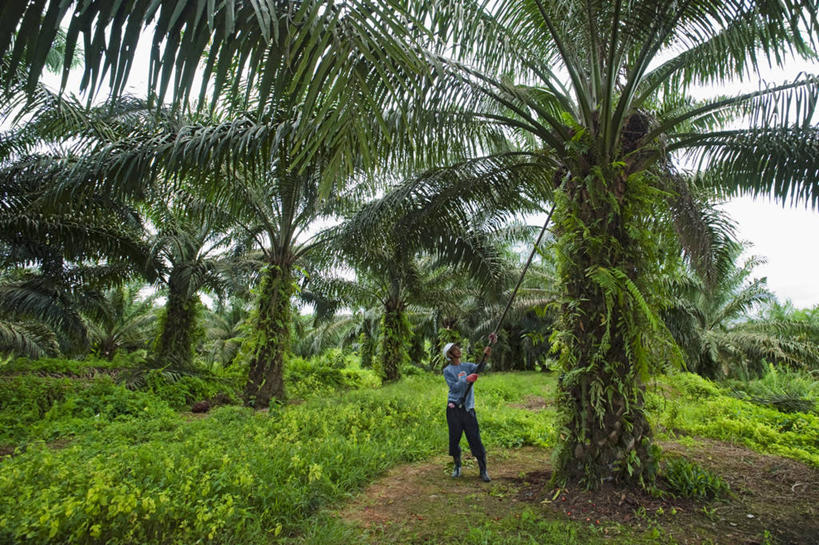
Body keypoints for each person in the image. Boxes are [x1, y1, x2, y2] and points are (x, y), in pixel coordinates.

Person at [442, 341, 492, 482]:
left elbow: (480, 368)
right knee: (454, 438)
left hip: (468, 408)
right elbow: (454, 388)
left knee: (475, 438)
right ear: (449, 355)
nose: (457, 350)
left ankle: (483, 469)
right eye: (453, 349)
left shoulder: (468, 366)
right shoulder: (448, 371)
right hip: (454, 408)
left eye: (457, 347)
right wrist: (466, 380)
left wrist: (486, 355)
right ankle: (457, 465)